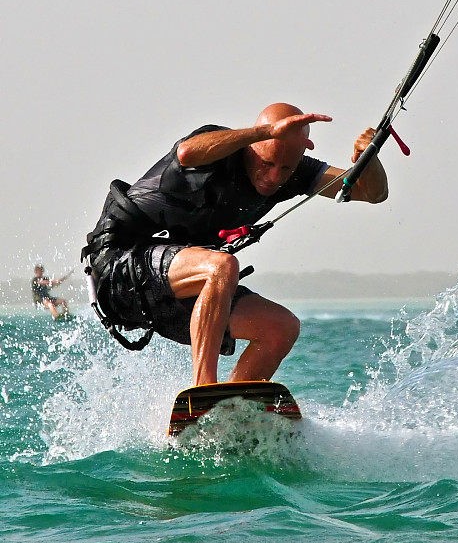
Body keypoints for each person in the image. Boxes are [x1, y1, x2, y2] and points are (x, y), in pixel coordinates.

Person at [83, 103, 388, 386]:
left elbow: (371, 193)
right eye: (267, 162)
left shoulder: (296, 172)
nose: (273, 177)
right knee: (220, 266)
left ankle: (225, 412)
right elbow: (187, 152)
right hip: (119, 265)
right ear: (252, 145)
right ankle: (203, 389)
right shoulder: (220, 147)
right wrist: (267, 132)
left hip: (175, 286)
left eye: (285, 168)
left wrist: (369, 160)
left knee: (280, 328)